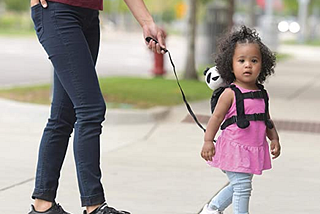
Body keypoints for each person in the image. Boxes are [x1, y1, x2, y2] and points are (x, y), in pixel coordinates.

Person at [29, 0, 166, 214]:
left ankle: (43, 205)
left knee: (62, 115)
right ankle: (94, 205)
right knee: (90, 109)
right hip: (57, 11)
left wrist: (147, 22)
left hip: (89, 16)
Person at [200, 26, 281, 214]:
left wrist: (274, 138)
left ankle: (212, 209)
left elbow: (266, 119)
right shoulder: (230, 93)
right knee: (243, 186)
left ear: (263, 65)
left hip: (252, 149)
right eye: (241, 60)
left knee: (240, 184)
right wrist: (207, 141)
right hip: (234, 148)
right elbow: (216, 118)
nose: (248, 65)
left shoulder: (261, 93)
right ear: (230, 64)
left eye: (254, 60)